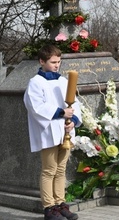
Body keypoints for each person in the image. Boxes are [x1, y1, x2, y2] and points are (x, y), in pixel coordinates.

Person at [23, 44, 81, 220]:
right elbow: (35, 106)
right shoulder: (35, 82)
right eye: (53, 62)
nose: (57, 65)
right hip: (48, 131)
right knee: (49, 170)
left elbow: (75, 103)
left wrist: (74, 121)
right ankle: (49, 207)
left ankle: (60, 203)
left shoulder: (63, 81)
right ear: (42, 61)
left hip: (65, 131)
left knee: (61, 169)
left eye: (59, 61)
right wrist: (62, 113)